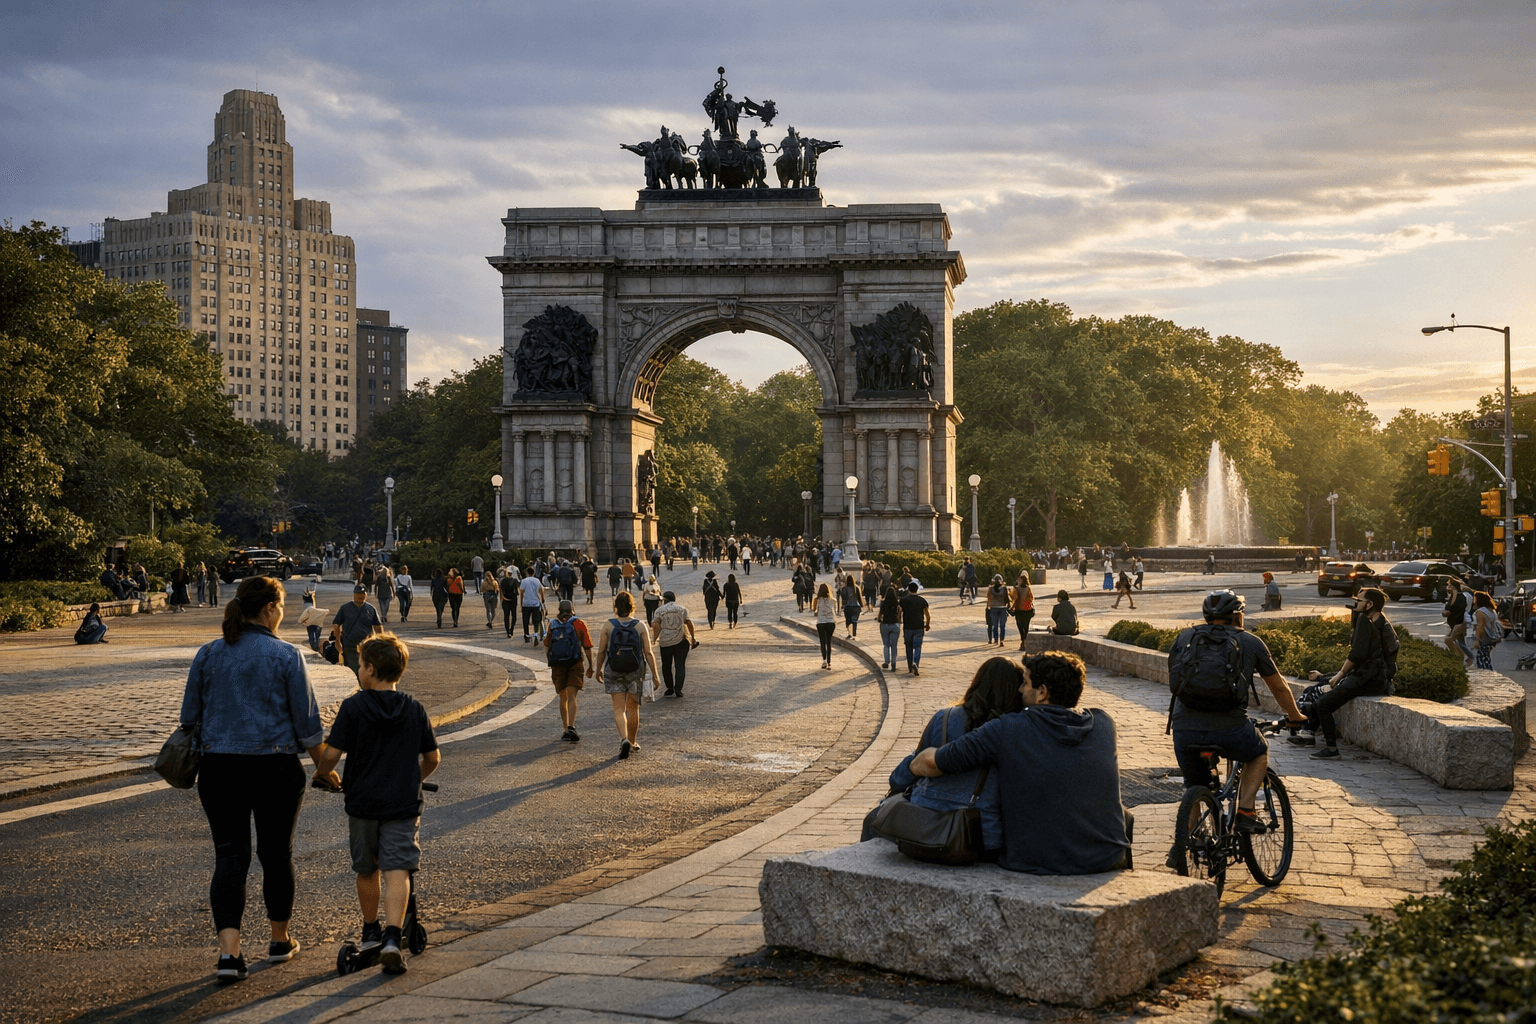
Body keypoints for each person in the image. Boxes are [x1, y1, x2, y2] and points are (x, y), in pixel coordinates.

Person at [181, 576, 326, 982]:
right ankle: (279, 940)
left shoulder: (208, 653)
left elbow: (188, 716)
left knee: (230, 857)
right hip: (275, 768)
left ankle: (229, 955)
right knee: (276, 855)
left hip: (219, 769)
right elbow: (308, 725)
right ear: (269, 610)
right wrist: (325, 769)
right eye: (280, 607)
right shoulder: (285, 655)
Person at [910, 653, 1131, 874]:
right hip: (1107, 856)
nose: (1019, 690)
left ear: (1042, 692)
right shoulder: (1103, 724)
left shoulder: (1007, 729)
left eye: (1025, 683)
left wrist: (914, 763)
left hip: (1039, 861)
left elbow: (934, 763)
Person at [311, 633, 439, 976]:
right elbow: (432, 757)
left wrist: (324, 775)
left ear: (369, 669)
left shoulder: (353, 707)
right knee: (398, 867)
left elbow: (333, 754)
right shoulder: (414, 708)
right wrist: (415, 776)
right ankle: (394, 938)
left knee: (367, 869)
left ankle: (370, 933)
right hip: (403, 802)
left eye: (360, 664)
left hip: (363, 801)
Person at [1169, 591, 1307, 859]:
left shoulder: (1185, 638)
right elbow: (1278, 687)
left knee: (1193, 784)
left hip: (1184, 728)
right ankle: (1245, 811)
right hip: (1231, 727)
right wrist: (1295, 716)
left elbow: (1175, 678)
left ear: (1206, 616)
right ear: (1237, 615)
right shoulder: (1250, 641)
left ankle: (1188, 841)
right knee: (1258, 752)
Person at [884, 657, 1024, 860]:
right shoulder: (1013, 729)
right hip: (983, 836)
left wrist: (898, 781)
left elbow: (915, 764)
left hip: (923, 824)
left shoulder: (945, 717)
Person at [1288, 588, 1397, 759]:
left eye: (1359, 601)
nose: (1355, 604)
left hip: (1368, 679)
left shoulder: (1367, 622)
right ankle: (1308, 732)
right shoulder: (1382, 623)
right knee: (1320, 696)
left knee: (1323, 704)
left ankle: (1331, 750)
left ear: (1370, 604)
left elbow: (1357, 655)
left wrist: (1339, 676)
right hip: (1372, 678)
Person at [592, 592, 660, 759]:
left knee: (618, 708)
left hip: (613, 669)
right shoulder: (640, 625)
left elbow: (601, 651)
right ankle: (633, 741)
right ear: (632, 607)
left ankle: (623, 739)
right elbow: (648, 652)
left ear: (616, 607)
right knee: (633, 708)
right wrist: (655, 675)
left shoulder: (608, 625)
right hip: (635, 671)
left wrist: (598, 669)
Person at [544, 599, 594, 740]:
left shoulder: (552, 625)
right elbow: (588, 647)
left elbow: (547, 646)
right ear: (573, 609)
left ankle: (565, 729)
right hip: (575, 663)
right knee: (572, 697)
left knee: (563, 697)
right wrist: (591, 666)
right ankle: (572, 726)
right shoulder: (579, 623)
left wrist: (551, 661)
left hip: (557, 665)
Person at [651, 590, 698, 697]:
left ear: (664, 600)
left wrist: (654, 638)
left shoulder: (659, 611)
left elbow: (656, 626)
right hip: (681, 640)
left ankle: (670, 687)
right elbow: (689, 623)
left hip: (666, 641)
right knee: (680, 665)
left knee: (666, 666)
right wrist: (693, 638)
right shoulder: (682, 609)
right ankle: (678, 689)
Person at [331, 585, 384, 674]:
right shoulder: (345, 608)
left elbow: (378, 626)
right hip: (350, 645)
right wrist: (337, 641)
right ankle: (359, 686)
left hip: (366, 646)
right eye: (358, 596)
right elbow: (336, 624)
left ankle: (362, 686)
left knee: (366, 670)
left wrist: (381, 642)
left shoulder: (371, 609)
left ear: (366, 596)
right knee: (354, 670)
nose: (360, 599)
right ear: (354, 595)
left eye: (362, 596)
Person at [898, 580, 931, 676]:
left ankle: (909, 667)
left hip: (907, 627)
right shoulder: (922, 601)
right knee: (917, 646)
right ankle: (915, 663)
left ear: (908, 590)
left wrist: (899, 620)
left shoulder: (903, 600)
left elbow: (900, 612)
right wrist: (928, 624)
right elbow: (927, 615)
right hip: (919, 626)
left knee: (908, 647)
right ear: (917, 590)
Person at [1443, 579, 1472, 665]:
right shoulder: (1451, 596)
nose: (1448, 587)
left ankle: (1460, 657)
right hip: (1452, 622)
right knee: (1460, 642)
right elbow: (1447, 607)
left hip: (1459, 622)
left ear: (1454, 586)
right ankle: (1465, 658)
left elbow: (1460, 609)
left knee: (1449, 640)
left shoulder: (1461, 597)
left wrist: (1450, 612)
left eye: (1449, 585)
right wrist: (1445, 612)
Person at [1471, 590, 1500, 670]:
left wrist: (1477, 640)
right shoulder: (1491, 610)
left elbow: (1480, 627)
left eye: (1475, 599)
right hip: (1492, 638)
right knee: (1486, 658)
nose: (1473, 602)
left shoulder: (1480, 612)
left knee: (1482, 661)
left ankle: (1487, 675)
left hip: (1483, 638)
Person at [812, 582, 837, 669]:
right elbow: (835, 611)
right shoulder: (833, 600)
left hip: (821, 622)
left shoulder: (818, 600)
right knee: (829, 642)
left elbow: (815, 610)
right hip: (831, 622)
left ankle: (824, 661)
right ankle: (829, 662)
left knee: (823, 642)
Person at [876, 585, 902, 671]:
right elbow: (899, 614)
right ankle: (893, 664)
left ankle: (887, 661)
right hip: (895, 624)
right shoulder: (896, 603)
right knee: (894, 646)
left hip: (885, 624)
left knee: (886, 644)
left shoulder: (883, 602)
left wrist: (879, 619)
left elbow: (880, 613)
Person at [519, 566, 546, 644]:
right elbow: (541, 590)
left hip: (526, 604)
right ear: (533, 573)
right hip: (535, 603)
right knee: (536, 620)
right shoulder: (537, 580)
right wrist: (543, 599)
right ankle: (536, 634)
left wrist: (521, 604)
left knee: (525, 621)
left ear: (527, 573)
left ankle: (526, 635)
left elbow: (521, 593)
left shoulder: (523, 581)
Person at [1010, 572, 1035, 650]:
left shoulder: (1017, 589)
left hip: (1019, 610)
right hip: (1028, 610)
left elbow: (1014, 599)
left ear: (1021, 580)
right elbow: (1031, 598)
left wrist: (1011, 607)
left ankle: (1023, 641)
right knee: (1026, 626)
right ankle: (1025, 641)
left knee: (1020, 627)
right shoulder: (1028, 588)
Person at [984, 574, 1011, 646]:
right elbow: (1008, 599)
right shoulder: (1004, 588)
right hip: (1002, 608)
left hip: (993, 608)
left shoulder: (990, 589)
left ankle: (996, 640)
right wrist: (1009, 606)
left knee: (995, 626)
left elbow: (988, 599)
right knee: (1002, 626)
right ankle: (1001, 640)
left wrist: (987, 607)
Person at [497, 568, 520, 637]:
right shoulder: (515, 580)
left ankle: (507, 631)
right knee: (514, 616)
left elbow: (500, 590)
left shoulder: (503, 581)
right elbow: (518, 589)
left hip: (505, 600)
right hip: (513, 600)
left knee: (506, 616)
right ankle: (511, 629)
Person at [840, 574, 863, 639]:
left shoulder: (844, 589)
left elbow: (843, 598)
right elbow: (859, 598)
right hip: (856, 606)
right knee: (854, 621)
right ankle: (854, 634)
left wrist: (842, 605)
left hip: (848, 606)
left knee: (848, 621)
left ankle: (849, 633)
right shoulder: (857, 588)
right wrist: (861, 605)